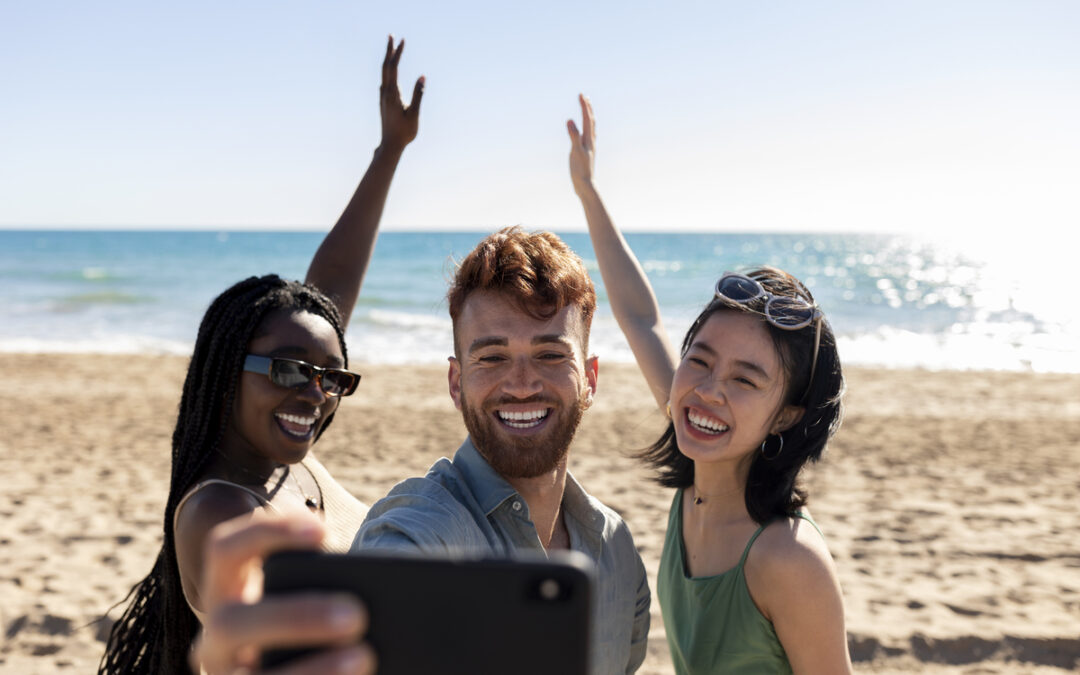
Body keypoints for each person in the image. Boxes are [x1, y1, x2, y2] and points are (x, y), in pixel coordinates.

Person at [98, 36, 423, 675]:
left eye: (332, 378)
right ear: (227, 378)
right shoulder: (221, 506)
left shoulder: (278, 457)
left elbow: (325, 296)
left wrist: (389, 152)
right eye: (289, 370)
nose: (315, 392)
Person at [192, 226, 651, 675]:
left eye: (551, 355)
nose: (522, 384)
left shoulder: (617, 548)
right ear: (456, 383)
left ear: (590, 379)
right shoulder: (416, 538)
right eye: (491, 357)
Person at [567, 95, 852, 673]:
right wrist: (588, 191)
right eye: (699, 360)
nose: (708, 390)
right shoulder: (696, 453)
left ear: (786, 415)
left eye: (747, 380)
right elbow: (640, 317)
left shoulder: (787, 559)